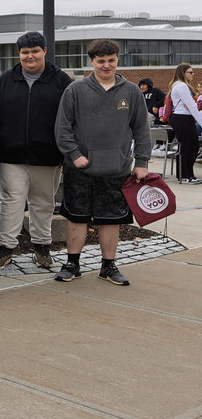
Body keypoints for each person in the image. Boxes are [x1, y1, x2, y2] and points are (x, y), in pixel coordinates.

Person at [54, 38, 150, 286]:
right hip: (81, 168)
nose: (106, 65)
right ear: (91, 62)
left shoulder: (131, 91)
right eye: (101, 61)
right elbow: (62, 129)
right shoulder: (75, 90)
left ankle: (108, 266)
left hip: (116, 168)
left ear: (117, 59)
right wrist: (75, 156)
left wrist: (142, 161)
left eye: (111, 60)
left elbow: (141, 129)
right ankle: (72, 263)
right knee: (77, 217)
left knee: (111, 219)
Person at [0, 32, 72, 271]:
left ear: (45, 51)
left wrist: (66, 153)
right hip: (10, 155)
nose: (30, 56)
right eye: (25, 52)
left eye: (34, 51)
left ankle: (42, 248)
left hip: (48, 157)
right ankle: (5, 249)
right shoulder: (5, 80)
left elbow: (70, 119)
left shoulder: (61, 81)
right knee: (11, 201)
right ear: (19, 54)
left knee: (43, 203)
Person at [167, 63, 202, 184]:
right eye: (190, 72)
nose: (193, 74)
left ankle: (188, 175)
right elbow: (192, 106)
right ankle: (185, 176)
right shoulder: (181, 86)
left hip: (182, 118)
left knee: (191, 147)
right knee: (188, 147)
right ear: (183, 73)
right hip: (183, 119)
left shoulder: (178, 85)